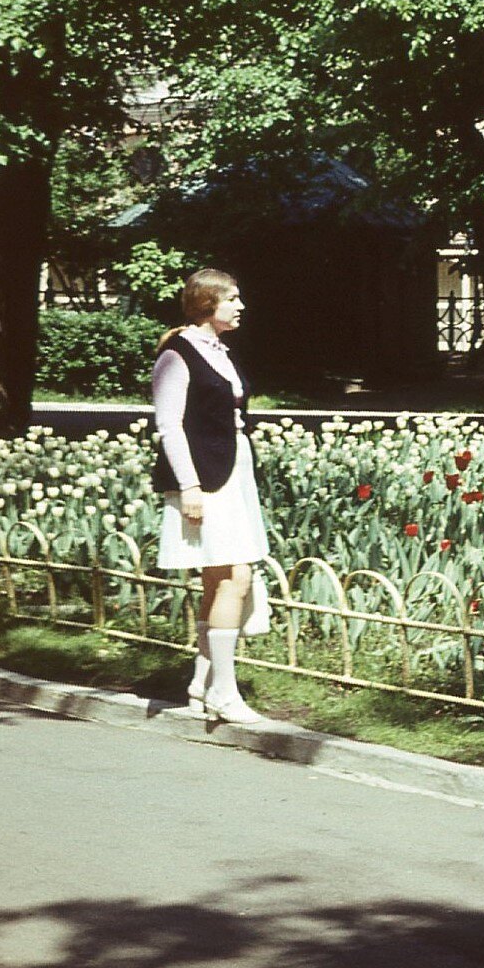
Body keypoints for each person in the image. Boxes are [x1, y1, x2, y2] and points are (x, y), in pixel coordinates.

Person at [151, 268, 269, 724]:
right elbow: (169, 426)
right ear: (207, 303)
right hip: (204, 481)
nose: (241, 306)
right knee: (234, 579)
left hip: (232, 475)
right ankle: (224, 691)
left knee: (218, 579)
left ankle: (201, 681)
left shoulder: (219, 351)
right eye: (233, 299)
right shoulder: (177, 354)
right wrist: (189, 487)